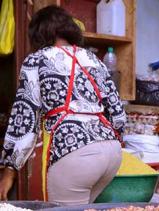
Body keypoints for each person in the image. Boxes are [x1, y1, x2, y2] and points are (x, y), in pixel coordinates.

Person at [0, 5, 126, 205]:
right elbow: (118, 114)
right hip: (111, 155)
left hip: (74, 152)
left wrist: (9, 168)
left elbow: (24, 118)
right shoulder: (93, 59)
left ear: (38, 34)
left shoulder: (36, 60)